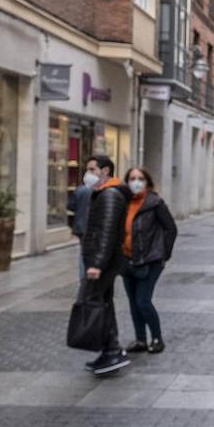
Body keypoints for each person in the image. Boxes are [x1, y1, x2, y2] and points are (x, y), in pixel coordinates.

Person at [80, 155, 132, 376]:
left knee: (100, 304)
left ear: (105, 170)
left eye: (92, 169)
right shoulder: (105, 193)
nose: (88, 173)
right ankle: (109, 350)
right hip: (104, 261)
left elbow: (107, 233)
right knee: (103, 303)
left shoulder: (110, 195)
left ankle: (112, 350)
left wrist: (97, 263)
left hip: (104, 262)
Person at [119, 167, 177, 355]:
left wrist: (163, 254)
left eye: (140, 178)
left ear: (147, 182)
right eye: (132, 178)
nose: (136, 182)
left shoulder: (155, 203)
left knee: (143, 301)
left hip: (150, 260)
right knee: (133, 302)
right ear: (126, 182)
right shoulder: (124, 202)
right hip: (128, 260)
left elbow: (171, 229)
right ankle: (140, 340)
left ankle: (157, 338)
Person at [67, 158, 101, 279]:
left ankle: (85, 283)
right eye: (87, 169)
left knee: (85, 255)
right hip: (87, 229)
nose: (89, 173)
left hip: (82, 228)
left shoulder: (82, 190)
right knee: (87, 255)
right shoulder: (88, 190)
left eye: (92, 169)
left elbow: (71, 205)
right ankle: (86, 283)